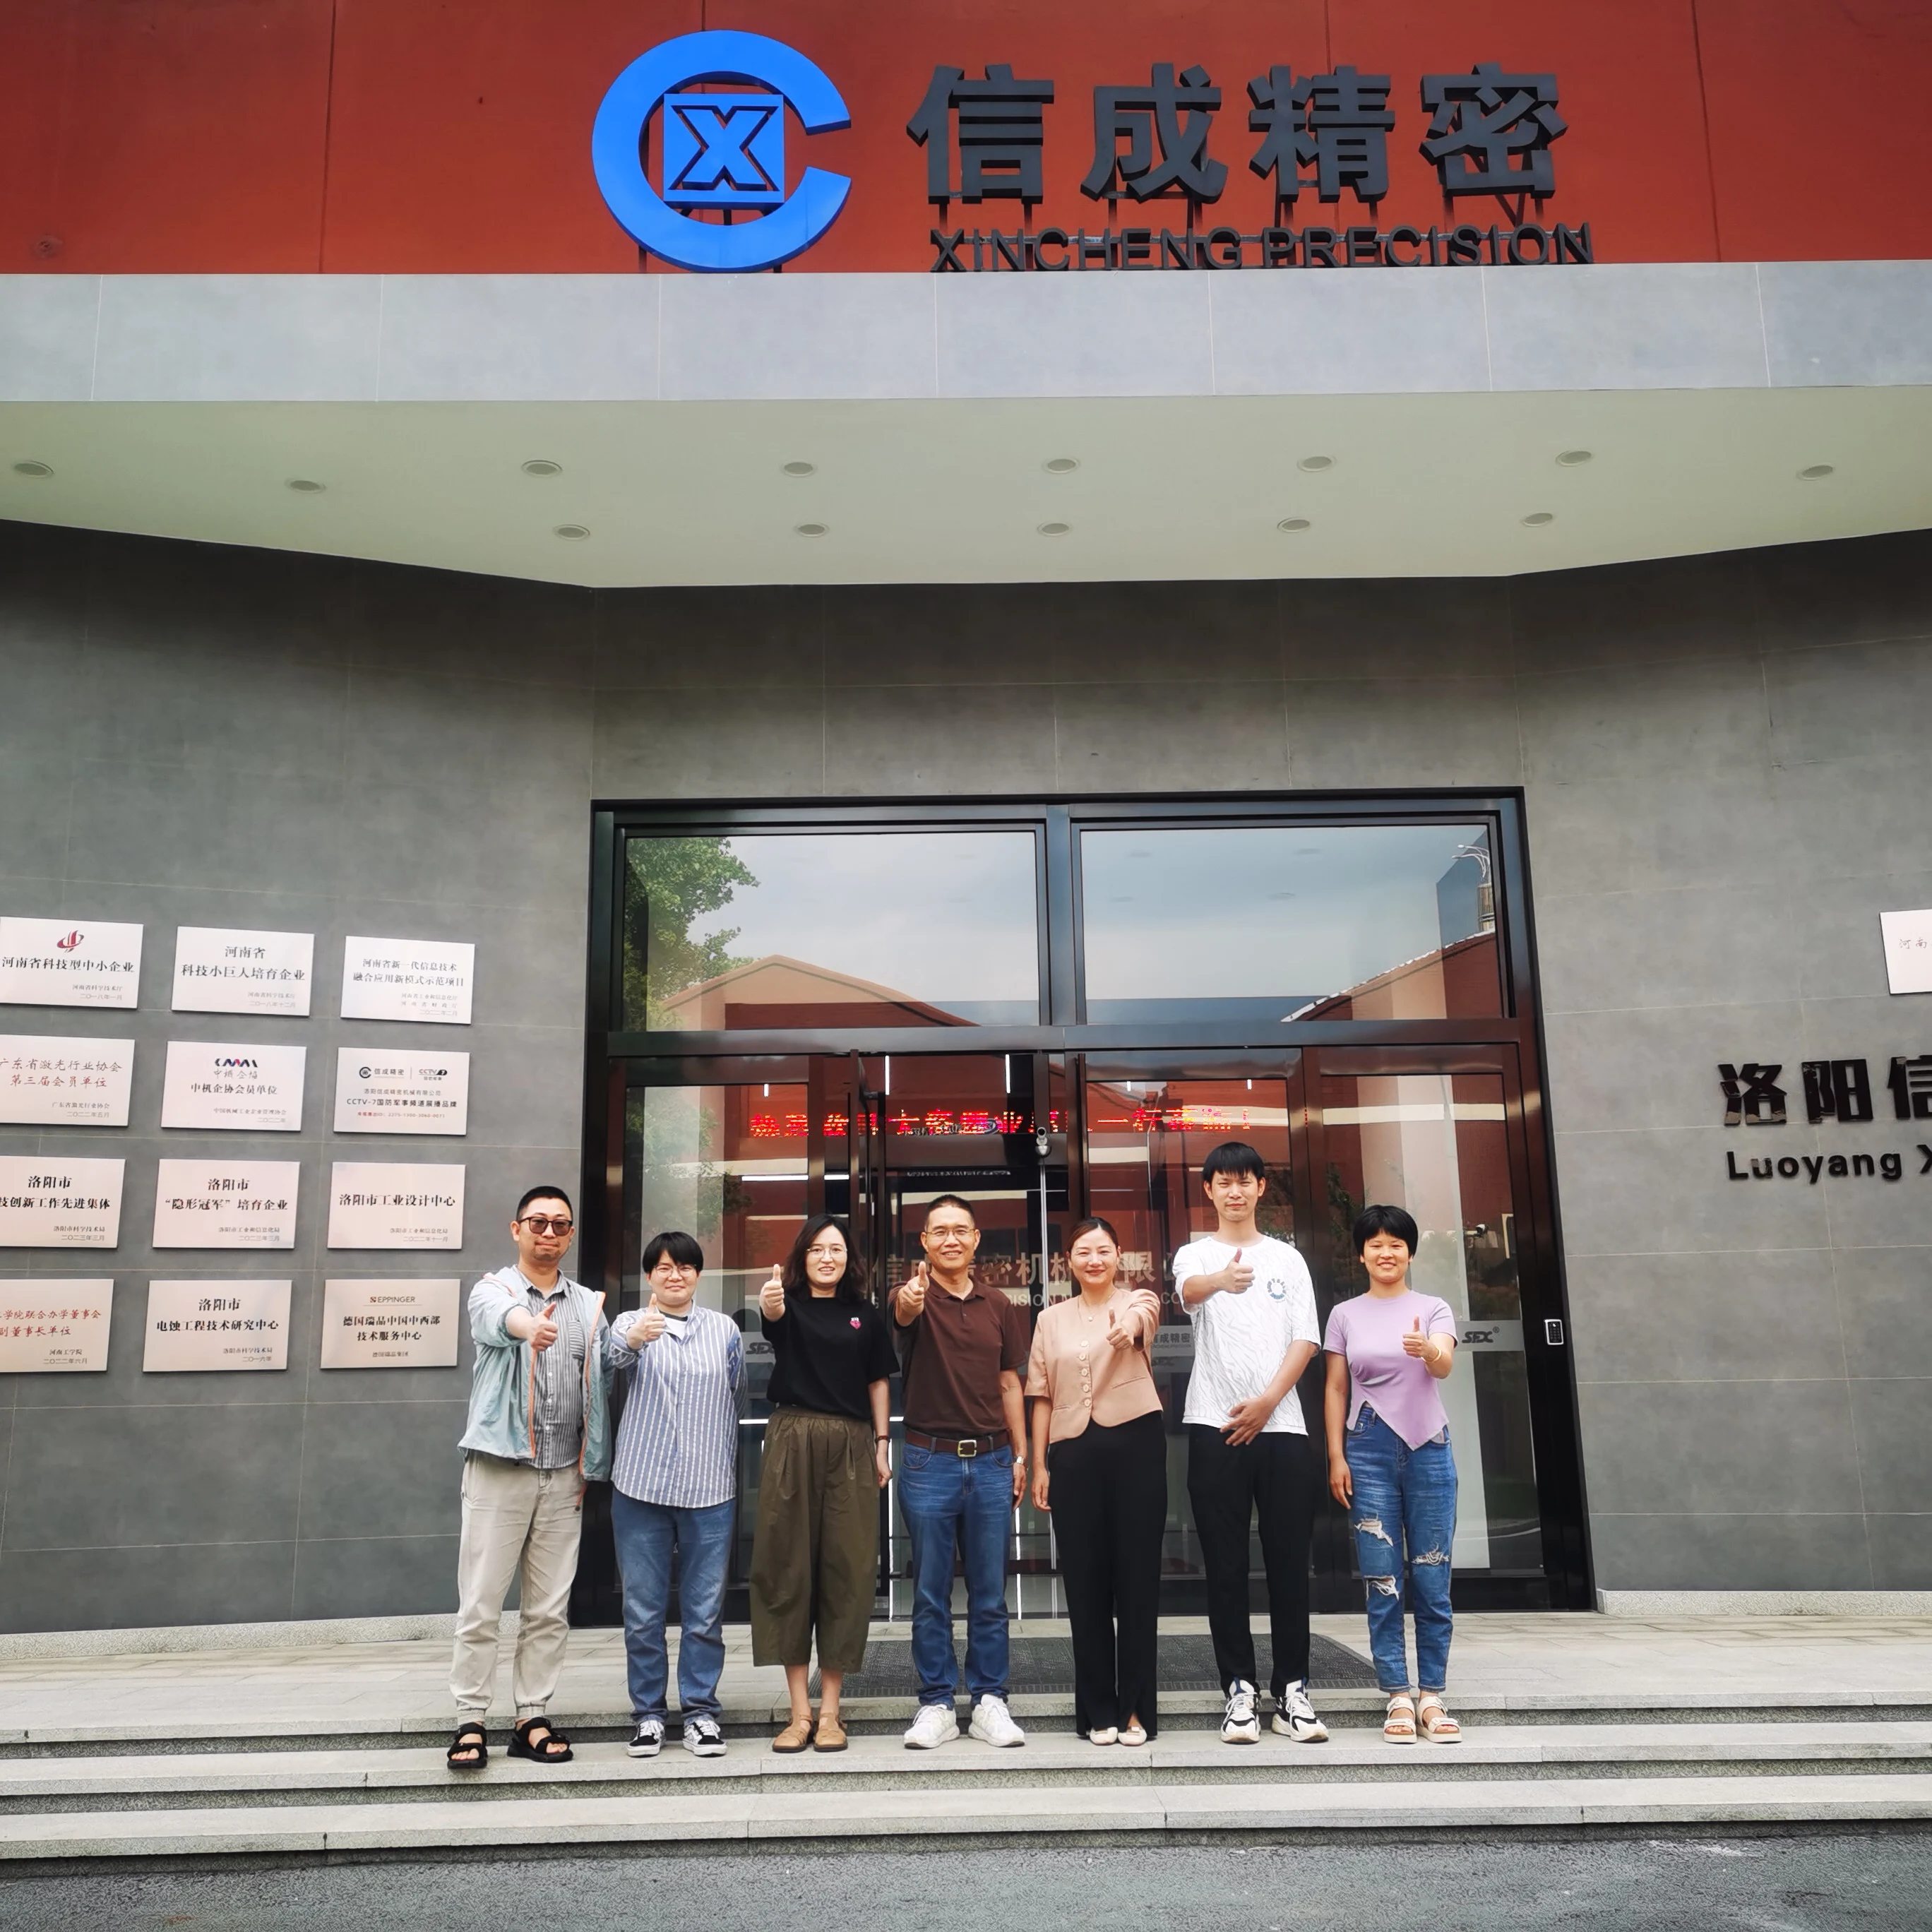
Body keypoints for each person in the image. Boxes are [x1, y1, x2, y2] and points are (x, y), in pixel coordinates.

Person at [447, 1185, 612, 1772]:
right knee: (481, 1604)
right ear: (516, 1229)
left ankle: (531, 1718)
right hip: (500, 1471)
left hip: (564, 1476)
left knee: (547, 1610)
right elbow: (503, 1321)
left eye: (560, 1224)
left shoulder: (588, 1305)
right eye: (537, 1222)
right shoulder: (492, 1290)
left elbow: (604, 1373)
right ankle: (470, 1720)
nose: (548, 1232)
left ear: (571, 1235)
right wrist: (529, 1328)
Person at [1172, 1140, 1328, 1748]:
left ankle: (1292, 1691)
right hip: (1213, 1425)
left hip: (1282, 1428)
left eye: (1245, 1181)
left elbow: (1306, 1340)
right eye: (1223, 1182)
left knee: (1290, 1564)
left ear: (1262, 1188)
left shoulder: (1289, 1259)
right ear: (1208, 1190)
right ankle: (1238, 1688)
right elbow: (1188, 1293)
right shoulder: (1195, 1254)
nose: (1234, 1191)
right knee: (1225, 1566)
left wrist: (1267, 1403)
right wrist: (1221, 1280)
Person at [891, 1193, 1032, 1750]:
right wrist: (910, 1298)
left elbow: (1009, 1383)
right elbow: (902, 1313)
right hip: (929, 1461)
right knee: (930, 1592)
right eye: (940, 1231)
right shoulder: (911, 1295)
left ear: (975, 1239)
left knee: (989, 1592)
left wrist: (1020, 1455)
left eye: (960, 1230)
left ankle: (990, 1700)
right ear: (925, 1242)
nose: (951, 1239)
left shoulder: (999, 1305)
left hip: (994, 1461)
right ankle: (937, 1704)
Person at [751, 1215, 895, 1753]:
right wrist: (769, 1303)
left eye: (836, 1249)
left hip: (853, 1444)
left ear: (848, 1258)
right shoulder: (786, 1305)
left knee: (845, 1570)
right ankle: (799, 1713)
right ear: (802, 1257)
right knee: (787, 1568)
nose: (827, 1257)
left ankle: (831, 1711)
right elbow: (772, 1319)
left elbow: (878, 1382)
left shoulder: (866, 1315)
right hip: (793, 1437)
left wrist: (882, 1444)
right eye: (816, 1249)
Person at [1324, 1203, 1463, 1745]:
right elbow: (1336, 1387)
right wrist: (1336, 1456)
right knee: (1382, 1579)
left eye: (1396, 1244)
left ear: (1410, 1253)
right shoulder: (1345, 1314)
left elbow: (1444, 1364)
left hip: (1429, 1449)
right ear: (1361, 1255)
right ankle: (1398, 1696)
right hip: (1367, 1450)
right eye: (1376, 1244)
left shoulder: (1433, 1308)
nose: (1386, 1252)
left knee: (1432, 1575)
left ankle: (1432, 1695)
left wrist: (1427, 1350)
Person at [1026, 1217, 1165, 1746]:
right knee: (1084, 1584)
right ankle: (1097, 1711)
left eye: (1103, 1250)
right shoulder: (1049, 1319)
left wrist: (1128, 1327)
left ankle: (1135, 1710)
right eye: (1083, 1252)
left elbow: (1143, 1315)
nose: (1094, 1260)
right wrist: (1039, 1465)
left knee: (1137, 1581)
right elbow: (1040, 1396)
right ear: (1069, 1260)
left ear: (1119, 1255)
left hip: (1137, 1448)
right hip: (1073, 1454)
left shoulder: (1137, 1300)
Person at [607, 1230, 744, 1760]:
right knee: (643, 1611)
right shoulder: (631, 1323)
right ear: (649, 1276)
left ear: (698, 1274)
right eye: (663, 1267)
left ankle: (700, 1713)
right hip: (641, 1487)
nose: (675, 1275)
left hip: (710, 1488)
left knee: (704, 1611)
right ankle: (648, 1715)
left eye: (684, 1266)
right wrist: (635, 1339)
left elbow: (735, 1393)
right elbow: (610, 1362)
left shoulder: (725, 1330)